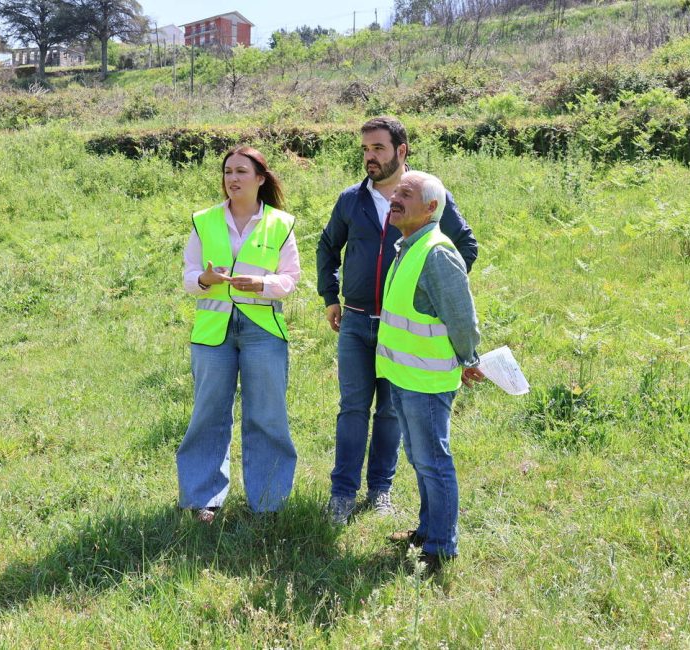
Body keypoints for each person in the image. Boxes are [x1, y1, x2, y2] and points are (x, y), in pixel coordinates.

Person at [317, 116, 478, 524]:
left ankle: (381, 491)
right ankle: (342, 493)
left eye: (378, 149)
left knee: (390, 413)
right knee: (352, 408)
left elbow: (465, 246)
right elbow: (327, 245)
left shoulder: (427, 196)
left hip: (400, 331)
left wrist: (436, 295)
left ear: (401, 151)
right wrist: (329, 296)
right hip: (354, 322)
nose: (370, 157)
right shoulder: (351, 199)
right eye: (365, 150)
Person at [177, 146, 300, 523]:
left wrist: (261, 284)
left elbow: (290, 279)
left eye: (241, 172)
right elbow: (188, 276)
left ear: (260, 178)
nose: (233, 179)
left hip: (263, 331)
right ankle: (203, 501)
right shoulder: (205, 221)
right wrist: (204, 279)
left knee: (267, 414)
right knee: (208, 414)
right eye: (228, 171)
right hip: (214, 332)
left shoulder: (281, 224)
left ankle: (268, 502)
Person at [378, 170, 484, 572]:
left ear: (431, 208)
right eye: (395, 193)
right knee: (420, 458)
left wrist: (470, 358)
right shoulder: (409, 245)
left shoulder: (437, 252)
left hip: (426, 379)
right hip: (405, 375)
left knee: (433, 460)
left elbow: (461, 318)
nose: (395, 198)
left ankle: (441, 547)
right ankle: (427, 530)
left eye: (406, 193)